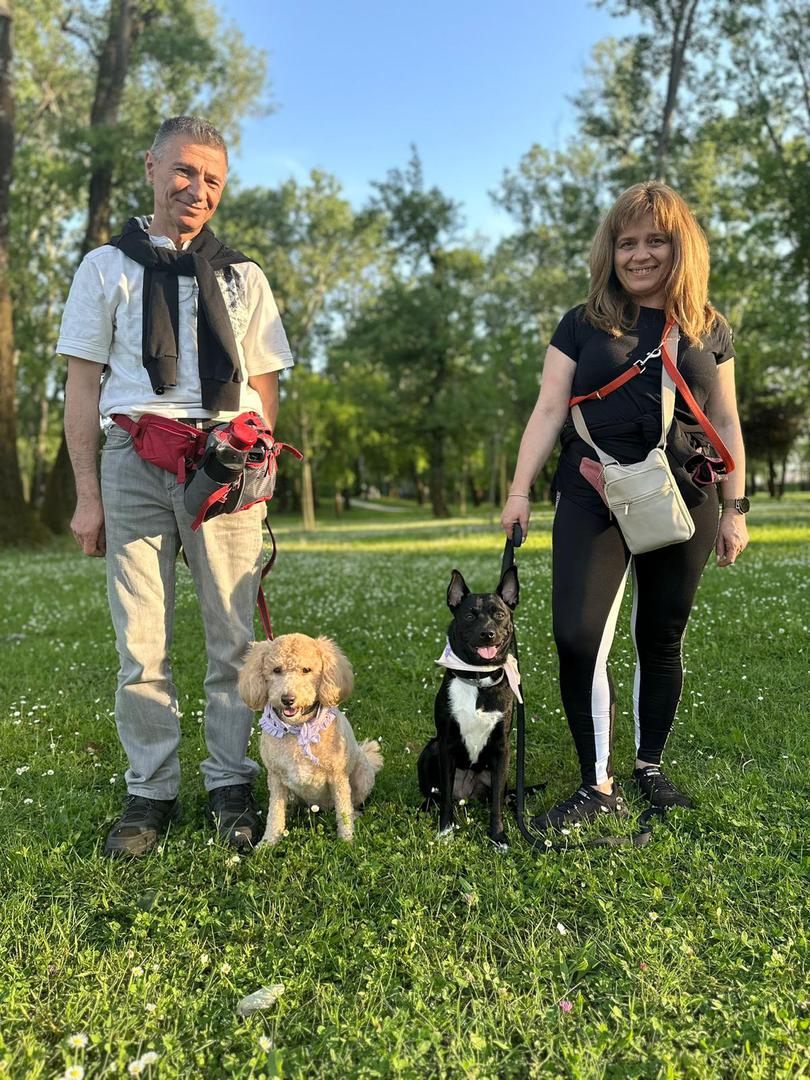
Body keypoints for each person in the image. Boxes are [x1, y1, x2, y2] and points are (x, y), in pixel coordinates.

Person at [58, 116, 294, 856]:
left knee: (234, 643)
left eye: (212, 179)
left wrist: (258, 463)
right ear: (153, 167)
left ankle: (231, 783)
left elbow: (263, 383)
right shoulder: (105, 267)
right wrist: (88, 495)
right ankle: (150, 793)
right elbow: (81, 384)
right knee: (141, 645)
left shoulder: (244, 275)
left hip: (222, 465)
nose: (197, 189)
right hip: (134, 459)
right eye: (185, 171)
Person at [500, 181, 749, 830]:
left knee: (660, 637)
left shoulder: (709, 327)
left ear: (681, 247)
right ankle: (596, 784)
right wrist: (519, 490)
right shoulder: (581, 323)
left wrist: (736, 507)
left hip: (684, 497)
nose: (639, 255)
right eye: (626, 242)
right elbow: (548, 409)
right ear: (609, 251)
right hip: (593, 492)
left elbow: (726, 418)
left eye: (655, 241)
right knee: (578, 636)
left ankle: (649, 767)